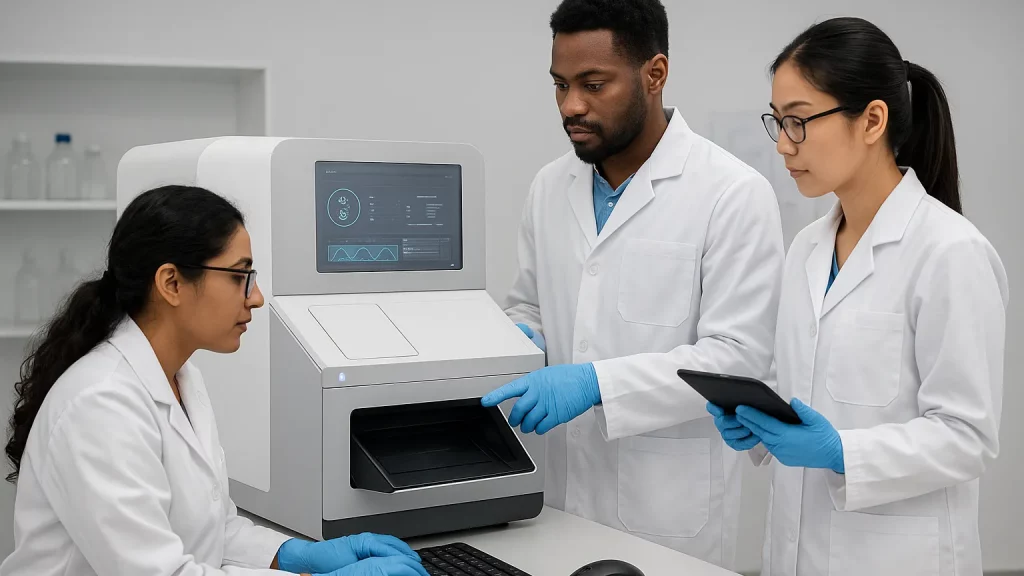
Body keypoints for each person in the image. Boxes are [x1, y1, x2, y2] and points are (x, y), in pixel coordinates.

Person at [480, 0, 785, 568]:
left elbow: (736, 359)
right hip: (557, 505)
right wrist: (511, 342)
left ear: (655, 74)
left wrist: (595, 383)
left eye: (594, 85)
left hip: (667, 515)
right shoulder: (550, 187)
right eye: (560, 85)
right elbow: (530, 304)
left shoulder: (731, 193)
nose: (572, 106)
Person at [708, 17, 1008, 576]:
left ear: (872, 120)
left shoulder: (949, 253)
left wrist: (844, 452)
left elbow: (967, 437)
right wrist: (759, 420)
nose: (784, 146)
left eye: (799, 122)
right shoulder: (806, 248)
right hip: (795, 554)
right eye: (778, 123)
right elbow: (807, 385)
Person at [1, 186, 429, 576]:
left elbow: (214, 530)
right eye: (239, 276)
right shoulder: (99, 403)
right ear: (171, 282)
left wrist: (295, 554)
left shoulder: (182, 377)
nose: (256, 297)